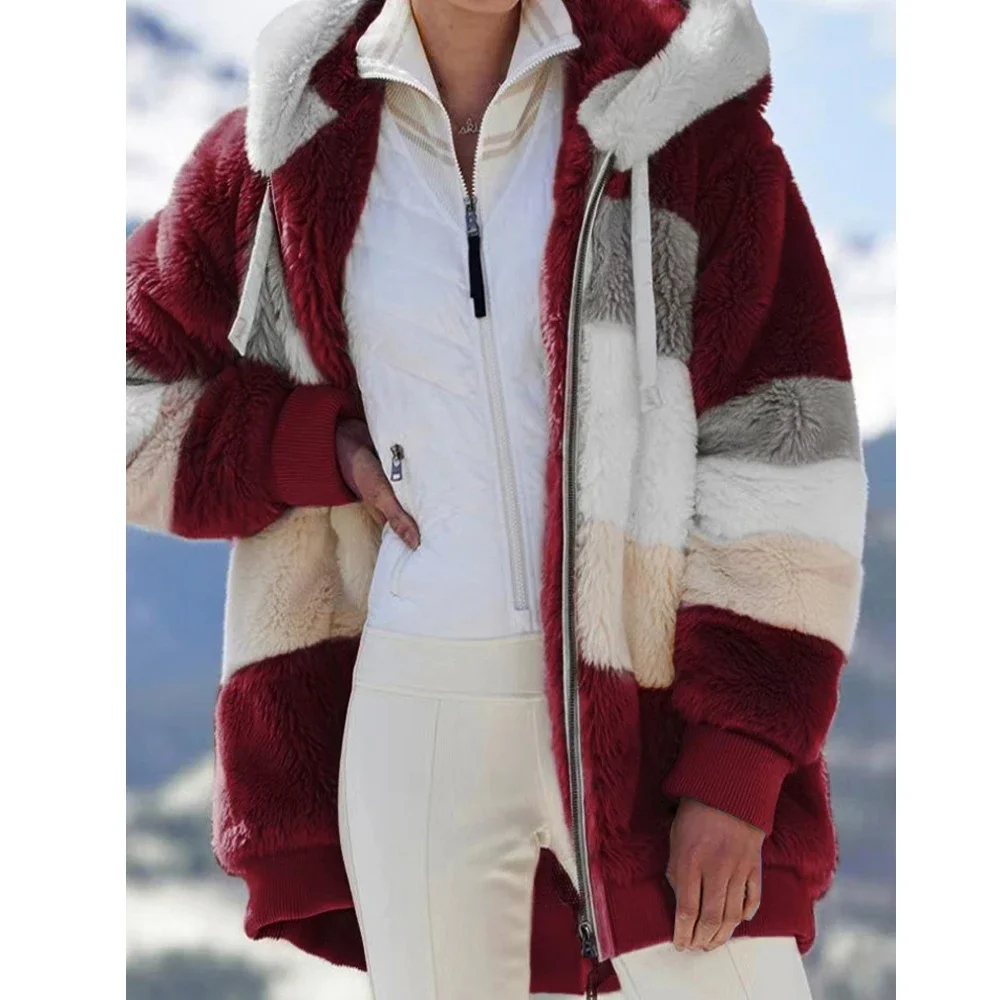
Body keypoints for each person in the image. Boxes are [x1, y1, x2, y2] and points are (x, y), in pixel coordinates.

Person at [125, 0, 868, 996]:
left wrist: (739, 760)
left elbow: (787, 446)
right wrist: (307, 445)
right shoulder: (283, 154)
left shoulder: (677, 114)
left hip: (651, 712)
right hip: (418, 716)